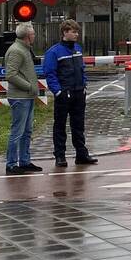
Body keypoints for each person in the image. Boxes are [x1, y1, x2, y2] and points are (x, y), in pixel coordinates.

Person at [43, 19, 98, 168]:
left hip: (79, 92)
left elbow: (81, 69)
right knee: (60, 125)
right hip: (64, 94)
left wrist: (84, 85)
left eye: (77, 31)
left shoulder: (77, 49)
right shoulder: (54, 52)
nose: (76, 34)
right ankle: (60, 156)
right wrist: (58, 91)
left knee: (78, 125)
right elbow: (50, 73)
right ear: (65, 33)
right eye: (73, 32)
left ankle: (81, 154)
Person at [4, 23, 42, 175]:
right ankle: (11, 164)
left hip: (27, 96)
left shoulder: (24, 49)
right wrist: (29, 86)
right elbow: (11, 74)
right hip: (20, 97)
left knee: (27, 131)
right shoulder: (16, 51)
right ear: (27, 36)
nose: (34, 36)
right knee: (18, 131)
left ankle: (24, 161)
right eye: (33, 34)